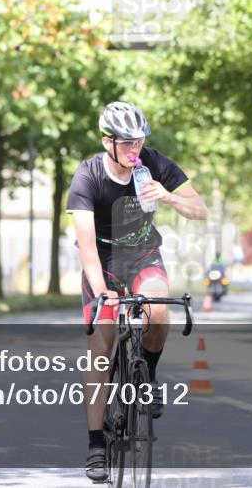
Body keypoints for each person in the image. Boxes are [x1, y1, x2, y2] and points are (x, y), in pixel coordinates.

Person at [67, 101, 208, 482]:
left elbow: (200, 210)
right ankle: (96, 443)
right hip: (104, 262)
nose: (134, 150)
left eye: (139, 142)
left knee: (160, 309)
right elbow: (86, 248)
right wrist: (101, 293)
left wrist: (168, 197)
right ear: (107, 141)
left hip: (144, 255)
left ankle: (148, 379)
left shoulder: (154, 164)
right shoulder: (88, 177)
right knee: (102, 345)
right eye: (126, 143)